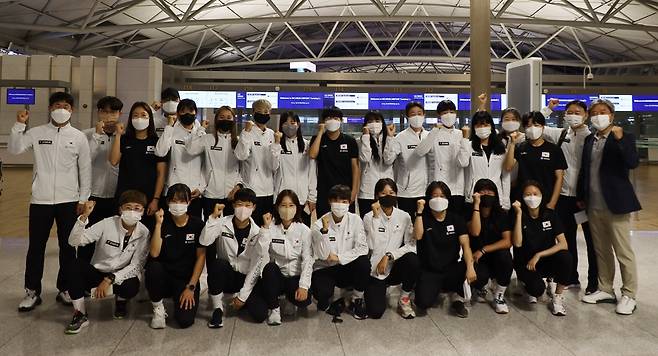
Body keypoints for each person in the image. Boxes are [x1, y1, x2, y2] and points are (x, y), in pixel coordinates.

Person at [10, 92, 92, 312]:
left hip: (69, 201)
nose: (61, 109)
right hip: (40, 200)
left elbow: (85, 170)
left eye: (65, 106)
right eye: (57, 105)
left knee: (68, 247)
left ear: (72, 110)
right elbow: (15, 149)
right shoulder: (37, 133)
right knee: (36, 247)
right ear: (50, 108)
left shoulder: (78, 137)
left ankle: (64, 288)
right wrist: (19, 125)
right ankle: (32, 292)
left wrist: (83, 198)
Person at [578, 98, 641, 315]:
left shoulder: (622, 136)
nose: (598, 116)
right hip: (593, 204)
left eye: (602, 112)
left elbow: (632, 162)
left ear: (612, 115)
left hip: (616, 204)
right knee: (601, 250)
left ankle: (629, 294)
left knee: (623, 251)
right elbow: (585, 171)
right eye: (594, 112)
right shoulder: (589, 140)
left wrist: (621, 139)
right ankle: (605, 288)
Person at [65, 190, 150, 334]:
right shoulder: (107, 224)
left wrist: (110, 280)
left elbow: (137, 265)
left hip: (119, 276)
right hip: (98, 272)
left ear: (143, 211)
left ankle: (121, 301)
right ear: (120, 209)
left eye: (137, 208)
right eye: (128, 207)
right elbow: (74, 241)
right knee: (74, 265)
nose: (132, 212)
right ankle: (80, 314)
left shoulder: (144, 232)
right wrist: (84, 217)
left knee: (132, 286)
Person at [541, 99, 597, 293]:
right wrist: (548, 109)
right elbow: (536, 124)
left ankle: (594, 282)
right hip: (564, 198)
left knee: (592, 242)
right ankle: (571, 277)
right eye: (570, 112)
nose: (573, 115)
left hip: (585, 199)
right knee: (567, 239)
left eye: (578, 112)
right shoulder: (560, 134)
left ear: (586, 115)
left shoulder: (591, 137)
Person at [200, 188, 270, 327]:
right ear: (233, 205)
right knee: (218, 264)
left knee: (260, 315)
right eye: (239, 204)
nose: (243, 208)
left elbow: (257, 264)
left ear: (254, 207)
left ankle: (238, 299)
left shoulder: (258, 232)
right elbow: (204, 241)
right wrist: (213, 218)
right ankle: (217, 308)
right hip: (227, 275)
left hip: (246, 277)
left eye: (247, 205)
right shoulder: (222, 223)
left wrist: (243, 296)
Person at [146, 183, 206, 329]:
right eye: (174, 201)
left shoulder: (197, 224)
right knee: (153, 267)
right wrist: (158, 225)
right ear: (167, 202)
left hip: (185, 279)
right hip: (164, 276)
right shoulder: (162, 221)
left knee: (185, 321)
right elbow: (154, 253)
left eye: (182, 201)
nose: (177, 205)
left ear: (189, 202)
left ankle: (178, 297)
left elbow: (201, 257)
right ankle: (158, 308)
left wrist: (191, 287)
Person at [413, 181, 476, 318]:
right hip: (430, 270)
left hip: (451, 267)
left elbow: (466, 245)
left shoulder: (456, 219)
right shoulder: (423, 218)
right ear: (428, 199)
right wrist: (419, 212)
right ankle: (436, 289)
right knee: (423, 303)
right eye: (434, 196)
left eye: (442, 196)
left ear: (448, 199)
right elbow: (417, 236)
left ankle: (456, 296)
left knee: (468, 261)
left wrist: (470, 267)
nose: (438, 199)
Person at [511, 180, 571, 316]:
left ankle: (557, 297)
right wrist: (519, 214)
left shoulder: (550, 215)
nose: (532, 197)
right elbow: (518, 243)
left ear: (542, 195)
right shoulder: (518, 214)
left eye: (535, 194)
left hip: (544, 260)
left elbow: (563, 244)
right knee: (537, 290)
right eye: (527, 194)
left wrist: (539, 255)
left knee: (566, 257)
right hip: (527, 264)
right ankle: (525, 283)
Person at [363, 178, 419, 319]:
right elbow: (370, 246)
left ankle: (404, 299)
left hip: (394, 266)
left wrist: (389, 255)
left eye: (391, 192)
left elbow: (411, 245)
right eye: (383, 193)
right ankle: (376, 290)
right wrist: (376, 218)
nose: (388, 196)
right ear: (376, 196)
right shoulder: (368, 217)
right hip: (375, 269)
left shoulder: (404, 216)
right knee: (375, 312)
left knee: (413, 260)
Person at [311, 184, 369, 320]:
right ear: (329, 202)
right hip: (325, 268)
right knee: (322, 297)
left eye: (344, 201)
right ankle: (333, 299)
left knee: (363, 263)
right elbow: (322, 254)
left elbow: (363, 248)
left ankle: (356, 299)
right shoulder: (318, 224)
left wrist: (339, 257)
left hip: (346, 266)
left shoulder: (355, 220)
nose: (340, 205)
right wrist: (325, 232)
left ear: (349, 203)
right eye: (336, 201)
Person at [110, 102, 168, 231]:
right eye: (135, 115)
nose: (139, 119)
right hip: (125, 195)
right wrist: (118, 135)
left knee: (146, 233)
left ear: (150, 119)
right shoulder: (125, 139)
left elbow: (161, 174)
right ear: (131, 119)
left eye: (143, 115)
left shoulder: (157, 141)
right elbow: (113, 161)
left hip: (148, 197)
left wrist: (156, 199)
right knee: (122, 232)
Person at [79, 96, 123, 263]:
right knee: (87, 242)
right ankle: (82, 283)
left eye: (113, 112)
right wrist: (97, 135)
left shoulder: (124, 136)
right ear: (98, 113)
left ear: (120, 113)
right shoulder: (87, 135)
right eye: (104, 112)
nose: (108, 116)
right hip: (93, 196)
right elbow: (84, 161)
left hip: (116, 197)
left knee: (112, 242)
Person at [259, 190, 313, 326]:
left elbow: (308, 260)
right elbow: (261, 251)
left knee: (304, 301)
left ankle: (290, 299)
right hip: (277, 276)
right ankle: (274, 309)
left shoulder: (304, 230)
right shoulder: (271, 227)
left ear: (297, 208)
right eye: (283, 205)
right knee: (269, 268)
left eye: (291, 205)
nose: (287, 209)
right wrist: (265, 229)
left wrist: (303, 286)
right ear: (277, 207)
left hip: (295, 277)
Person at [185, 105, 243, 220]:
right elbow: (191, 150)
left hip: (232, 195)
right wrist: (201, 129)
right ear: (216, 120)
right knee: (211, 230)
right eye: (221, 117)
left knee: (228, 233)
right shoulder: (208, 139)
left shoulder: (239, 141)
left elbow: (243, 168)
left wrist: (238, 186)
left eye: (228, 117)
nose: (225, 120)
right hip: (211, 195)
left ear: (233, 120)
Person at [413, 100, 470, 215]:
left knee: (455, 222)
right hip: (437, 190)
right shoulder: (433, 134)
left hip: (457, 189)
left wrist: (465, 139)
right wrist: (434, 131)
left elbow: (464, 162)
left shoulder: (461, 134)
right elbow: (420, 152)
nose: (449, 115)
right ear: (438, 115)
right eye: (445, 112)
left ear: (456, 114)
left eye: (452, 112)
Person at [466, 179, 513, 314]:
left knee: (505, 257)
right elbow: (475, 232)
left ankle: (499, 295)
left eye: (489, 191)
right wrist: (476, 205)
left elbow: (507, 241)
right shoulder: (468, 211)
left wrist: (484, 250)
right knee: (479, 278)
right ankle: (480, 286)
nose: (486, 194)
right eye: (482, 191)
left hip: (495, 255)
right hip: (475, 258)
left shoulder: (502, 214)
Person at [504, 111, 567, 209]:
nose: (532, 128)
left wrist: (552, 203)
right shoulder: (520, 148)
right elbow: (508, 167)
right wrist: (512, 144)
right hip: (524, 199)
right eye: (528, 126)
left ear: (543, 127)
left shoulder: (554, 149)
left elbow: (559, 178)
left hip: (546, 199)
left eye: (536, 125)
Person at [155, 99, 205, 218]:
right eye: (183, 111)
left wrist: (201, 188)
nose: (187, 114)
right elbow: (160, 152)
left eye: (190, 111)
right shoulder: (172, 131)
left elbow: (206, 165)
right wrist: (169, 127)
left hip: (194, 192)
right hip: (174, 190)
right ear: (177, 114)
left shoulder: (201, 133)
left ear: (195, 113)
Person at [235, 99, 280, 226]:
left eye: (266, 111)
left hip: (268, 190)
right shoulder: (248, 132)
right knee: (249, 226)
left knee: (266, 226)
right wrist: (246, 132)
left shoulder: (272, 134)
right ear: (253, 112)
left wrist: (276, 144)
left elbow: (274, 165)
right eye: (259, 111)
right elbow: (241, 155)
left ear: (270, 113)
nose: (263, 114)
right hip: (251, 189)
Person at [383, 101, 431, 219]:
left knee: (423, 226)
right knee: (407, 226)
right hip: (406, 192)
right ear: (407, 117)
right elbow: (388, 160)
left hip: (426, 191)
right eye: (413, 114)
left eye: (419, 113)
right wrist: (390, 137)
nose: (417, 117)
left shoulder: (430, 136)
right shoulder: (400, 137)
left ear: (424, 115)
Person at [308, 107, 360, 216]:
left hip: (345, 191)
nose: (332, 121)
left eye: (336, 118)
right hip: (324, 192)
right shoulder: (317, 139)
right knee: (325, 224)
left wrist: (354, 192)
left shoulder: (350, 141)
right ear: (323, 121)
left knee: (347, 224)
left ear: (341, 121)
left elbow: (355, 168)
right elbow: (312, 155)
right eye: (329, 118)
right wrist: (321, 132)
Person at [274, 111, 317, 225]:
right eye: (285, 123)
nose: (289, 126)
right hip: (283, 199)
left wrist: (312, 197)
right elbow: (273, 167)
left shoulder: (307, 146)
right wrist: (276, 145)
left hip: (303, 199)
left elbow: (312, 173)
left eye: (292, 122)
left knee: (302, 234)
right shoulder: (277, 145)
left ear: (298, 124)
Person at [464, 111, 511, 210]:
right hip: (474, 195)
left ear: (491, 127)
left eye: (486, 125)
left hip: (495, 196)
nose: (482, 128)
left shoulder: (501, 149)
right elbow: (462, 163)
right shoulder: (469, 146)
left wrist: (506, 201)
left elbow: (505, 177)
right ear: (474, 128)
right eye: (479, 125)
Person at [357, 111, 395, 217]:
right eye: (370, 121)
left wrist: (390, 138)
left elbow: (389, 160)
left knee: (387, 222)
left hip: (387, 191)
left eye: (377, 121)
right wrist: (366, 137)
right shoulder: (360, 141)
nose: (374, 124)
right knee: (367, 223)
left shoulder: (391, 140)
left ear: (382, 123)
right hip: (367, 191)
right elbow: (365, 158)